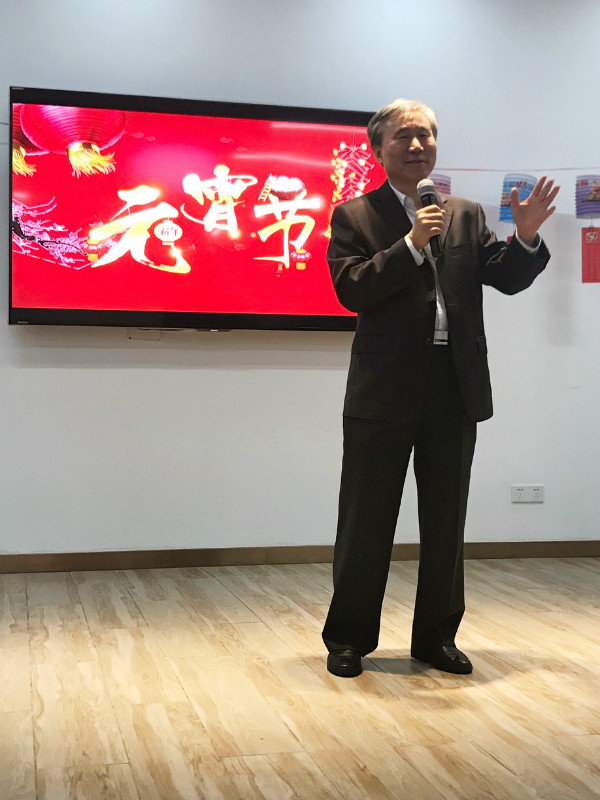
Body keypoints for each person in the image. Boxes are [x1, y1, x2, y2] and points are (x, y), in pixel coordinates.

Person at [322, 98, 558, 677]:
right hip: (383, 391)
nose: (417, 145)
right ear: (378, 149)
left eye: (426, 135)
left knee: (446, 521)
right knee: (366, 519)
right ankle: (348, 639)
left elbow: (505, 277)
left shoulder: (467, 215)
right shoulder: (355, 215)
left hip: (453, 386)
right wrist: (409, 245)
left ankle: (436, 638)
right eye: (404, 136)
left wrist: (526, 239)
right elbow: (352, 289)